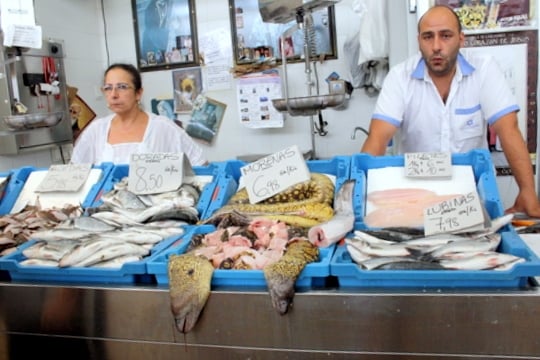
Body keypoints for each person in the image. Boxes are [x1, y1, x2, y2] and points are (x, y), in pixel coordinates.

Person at [360, 5, 540, 218]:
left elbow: (508, 129)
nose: (436, 46)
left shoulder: (484, 69)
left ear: (461, 39)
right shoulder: (399, 78)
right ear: (419, 41)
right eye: (428, 37)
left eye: (446, 36)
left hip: (472, 196)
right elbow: (378, 138)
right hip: (415, 199)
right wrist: (358, 199)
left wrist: (528, 191)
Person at [71, 63, 207, 166]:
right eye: (108, 88)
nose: (113, 95)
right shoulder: (96, 129)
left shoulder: (163, 127)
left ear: (138, 93)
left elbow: (201, 165)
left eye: (122, 87)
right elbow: (74, 172)